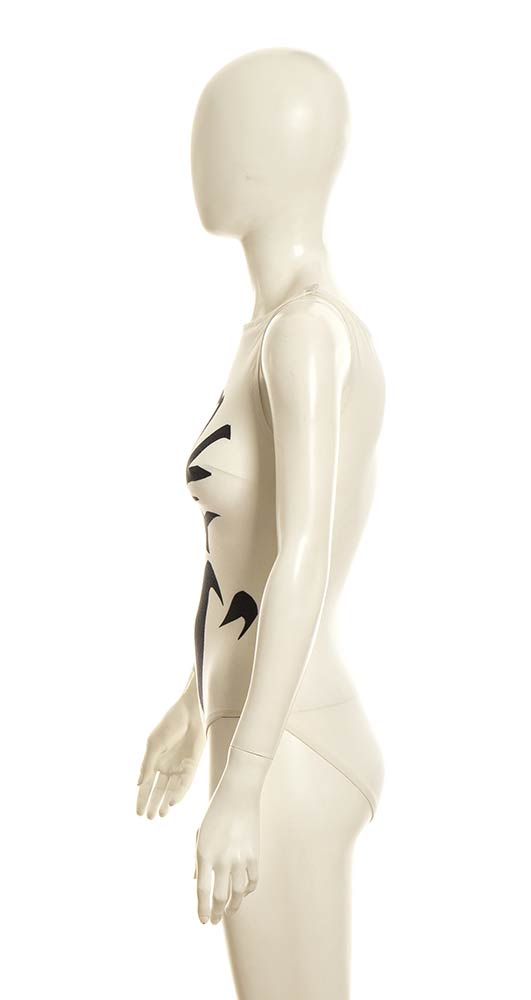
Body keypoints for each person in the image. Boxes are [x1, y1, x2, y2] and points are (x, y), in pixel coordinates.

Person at [137, 48, 386, 1000]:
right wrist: (192, 704)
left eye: (220, 128)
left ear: (279, 154)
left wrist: (244, 778)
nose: (200, 152)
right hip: (257, 725)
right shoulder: (267, 331)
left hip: (287, 746)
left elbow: (305, 561)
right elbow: (245, 559)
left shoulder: (307, 337)